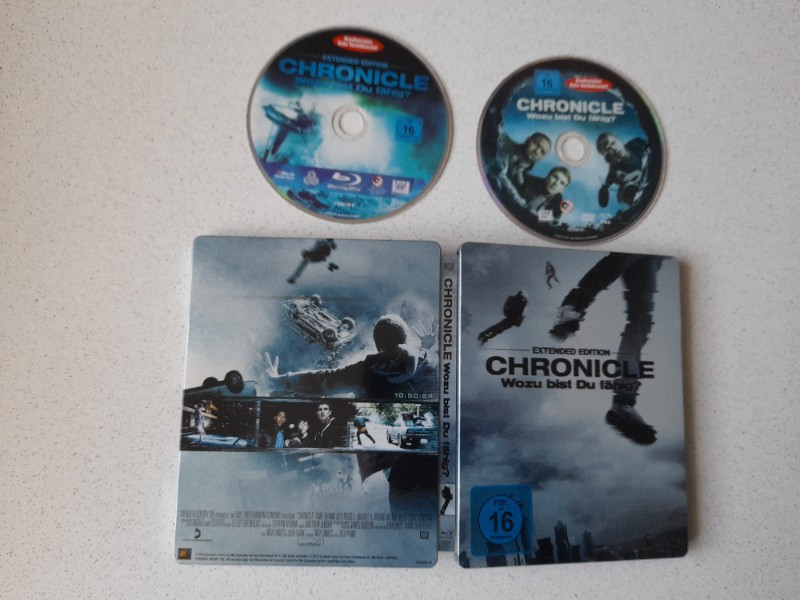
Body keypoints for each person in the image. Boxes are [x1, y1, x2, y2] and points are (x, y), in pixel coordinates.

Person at [549, 253, 663, 445]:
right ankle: (572, 307)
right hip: (646, 248)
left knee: (640, 323)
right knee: (624, 256)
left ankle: (624, 403)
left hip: (653, 258)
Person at [264, 314, 436, 399]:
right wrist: (425, 348)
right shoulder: (432, 362)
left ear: (378, 346)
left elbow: (322, 381)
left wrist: (277, 380)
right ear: (407, 339)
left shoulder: (366, 371)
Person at [596, 134, 650, 207]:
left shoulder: (637, 143)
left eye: (613, 143)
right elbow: (604, 189)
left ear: (618, 140)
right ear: (608, 156)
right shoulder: (614, 171)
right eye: (609, 149)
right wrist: (604, 189)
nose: (614, 149)